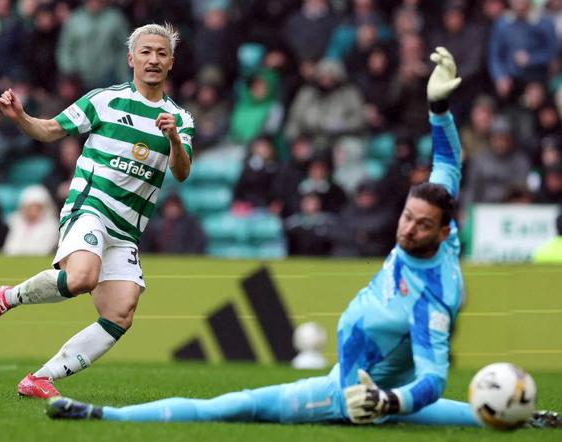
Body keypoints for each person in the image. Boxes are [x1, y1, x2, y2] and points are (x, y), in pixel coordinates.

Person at [45, 48, 494, 427]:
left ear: (444, 231)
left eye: (420, 225)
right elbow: (446, 164)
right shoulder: (439, 217)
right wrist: (439, 109)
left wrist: (385, 402)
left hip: (350, 398)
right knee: (472, 415)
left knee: (235, 408)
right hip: (352, 384)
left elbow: (433, 379)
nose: (408, 228)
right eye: (408, 217)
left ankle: (102, 416)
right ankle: (514, 414)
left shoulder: (436, 292)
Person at [0, 23, 194, 399]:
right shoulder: (104, 100)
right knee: (82, 278)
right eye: (146, 51)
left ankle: (40, 379)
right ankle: (7, 297)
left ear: (171, 62)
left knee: (120, 313)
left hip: (126, 229)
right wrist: (21, 118)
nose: (153, 59)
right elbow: (50, 130)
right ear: (131, 58)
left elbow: (182, 172)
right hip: (91, 208)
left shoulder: (180, 119)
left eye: (161, 53)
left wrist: (172, 138)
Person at [2, 185, 60, 256]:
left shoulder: (52, 225)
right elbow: (9, 248)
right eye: (30, 207)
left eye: (37, 207)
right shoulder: (13, 221)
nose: (33, 211)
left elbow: (44, 250)